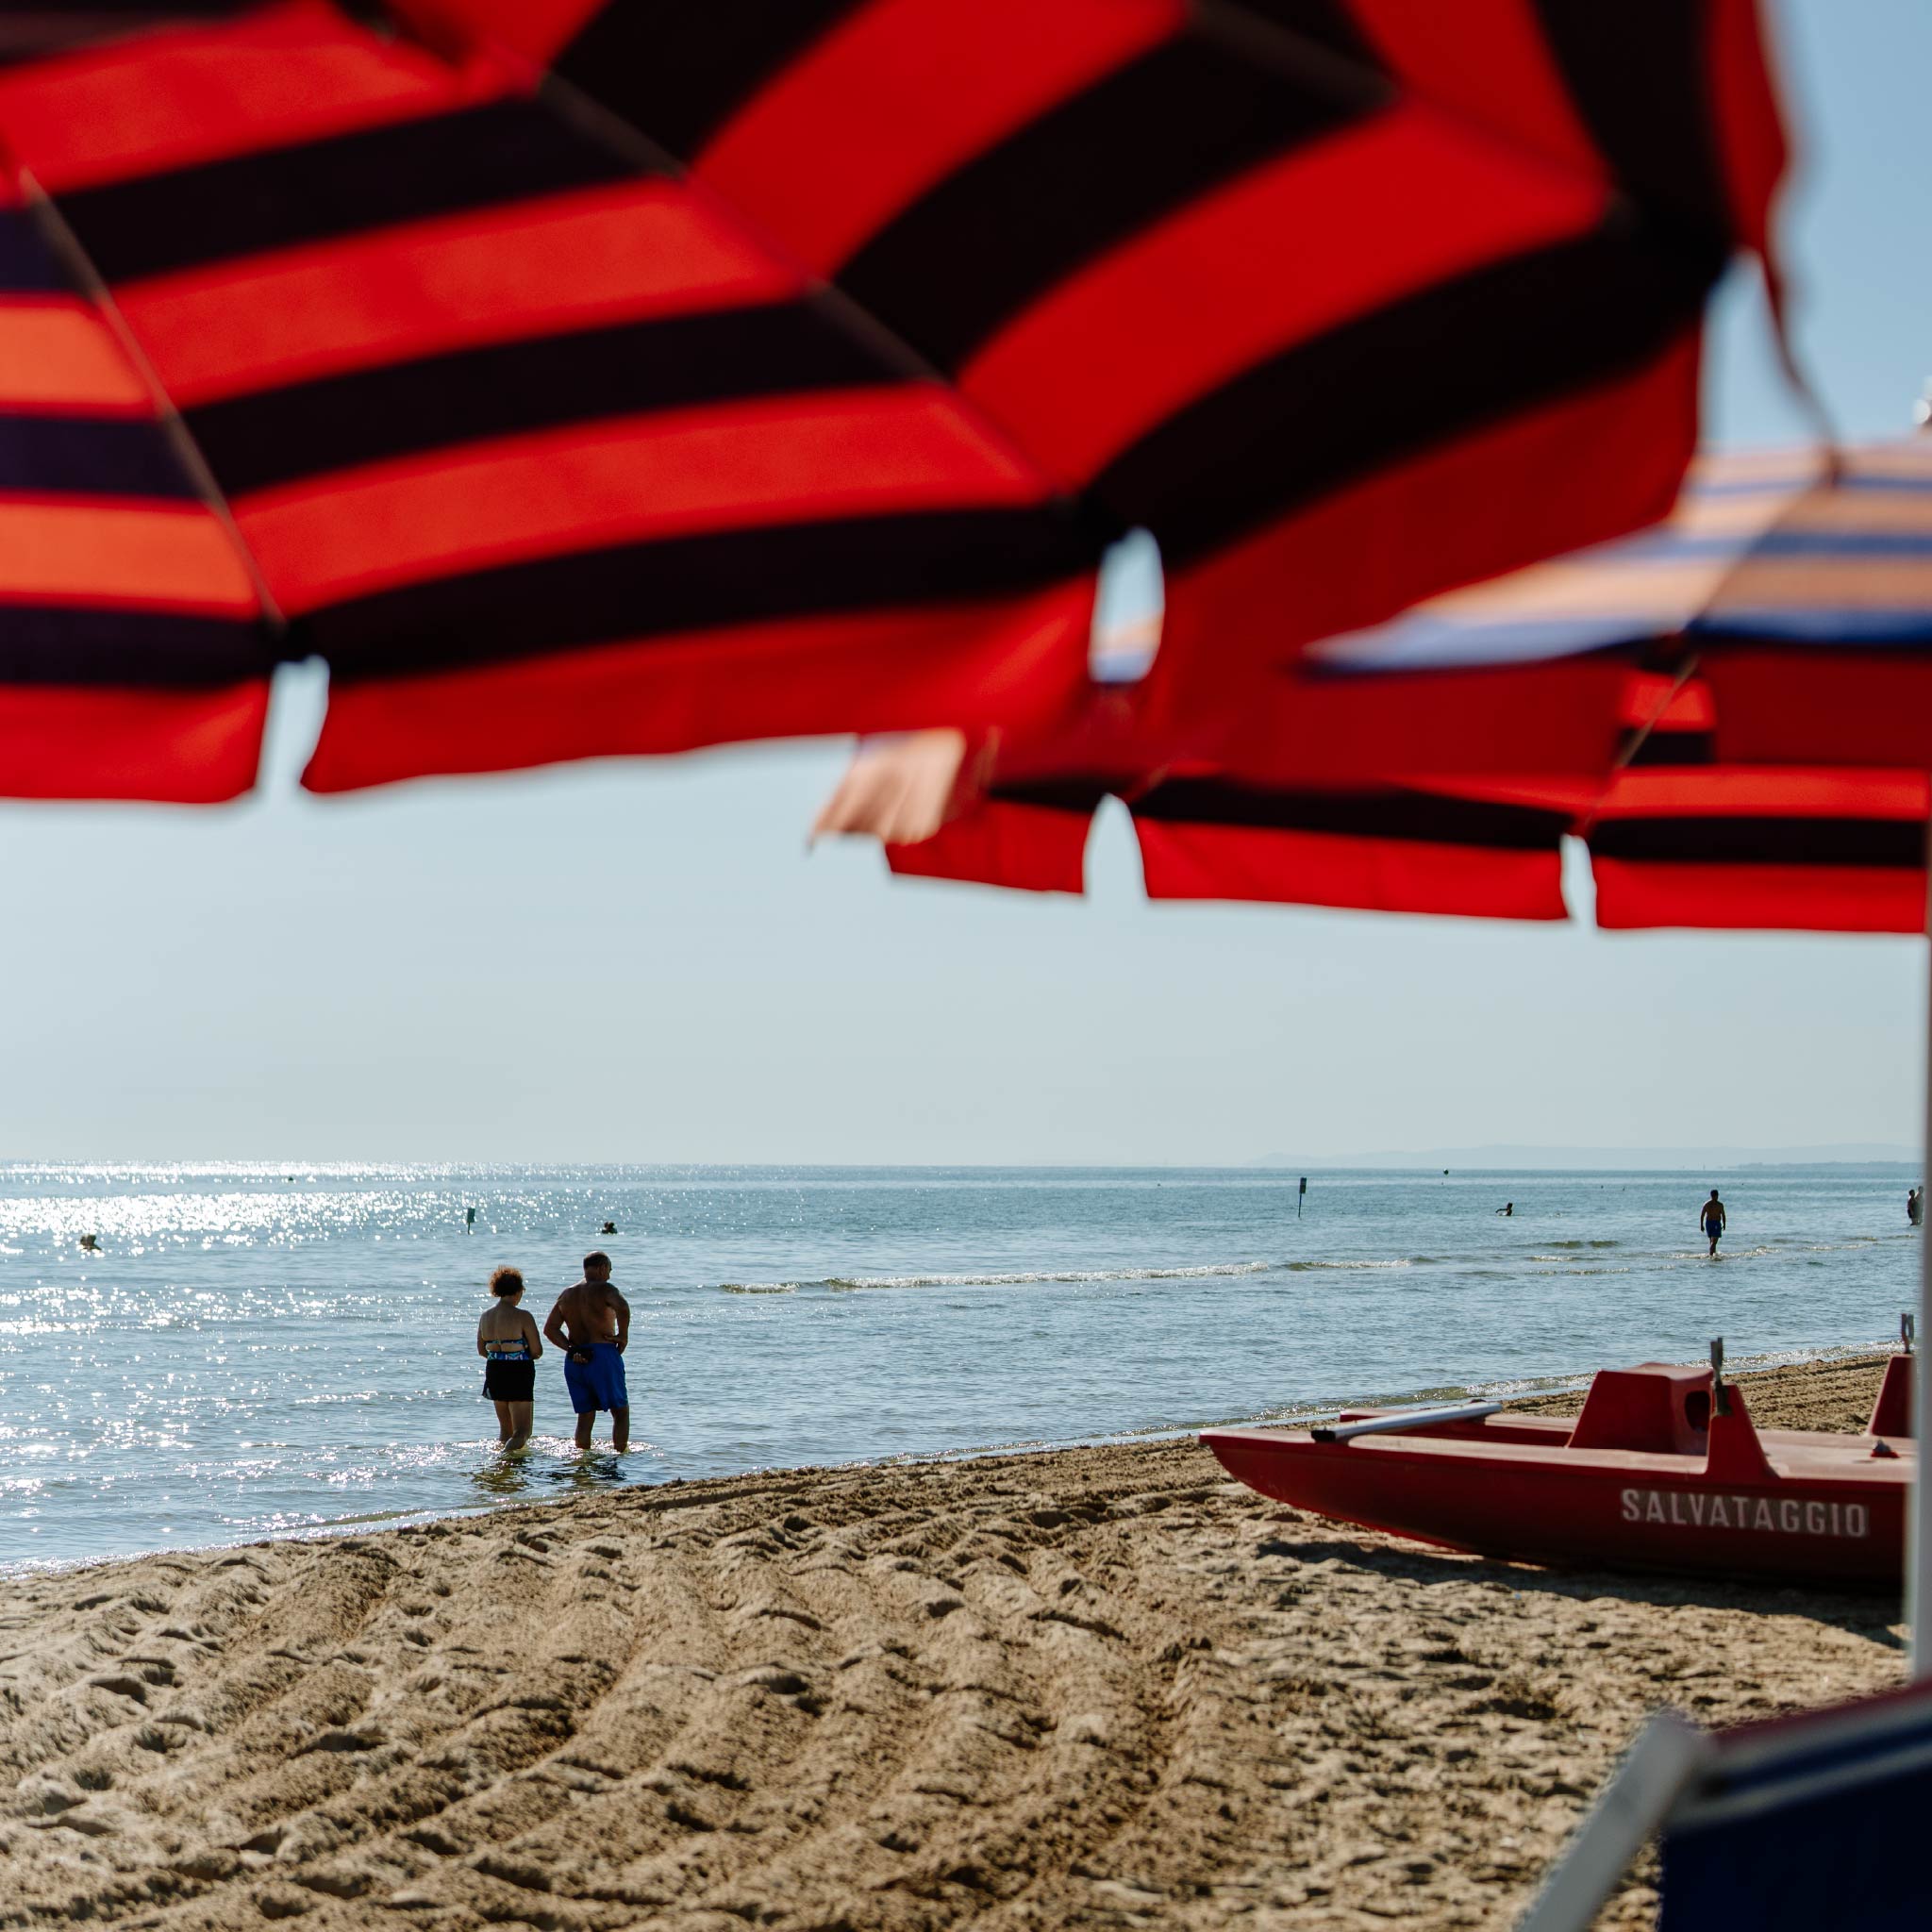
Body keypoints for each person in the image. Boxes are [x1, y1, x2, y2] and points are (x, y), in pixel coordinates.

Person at [545, 1250, 630, 1452]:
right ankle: (620, 1459)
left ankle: (583, 1465)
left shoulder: (566, 1294)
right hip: (602, 1355)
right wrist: (623, 1335)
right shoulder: (605, 1289)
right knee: (620, 1412)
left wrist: (570, 1348)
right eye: (609, 1270)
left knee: (585, 1416)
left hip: (576, 1358)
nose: (609, 1275)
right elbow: (623, 1308)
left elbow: (550, 1329)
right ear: (602, 1268)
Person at [477, 1265, 541, 1451]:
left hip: (495, 1369)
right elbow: (537, 1351)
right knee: (522, 1432)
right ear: (518, 1291)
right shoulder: (523, 1316)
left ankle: (501, 1474)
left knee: (505, 1431)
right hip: (518, 1371)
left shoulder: (486, 1316)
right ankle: (504, 1460)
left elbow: (482, 1350)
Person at [1701, 1189, 1726, 1257]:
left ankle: (1713, 1255)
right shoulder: (1719, 1205)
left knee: (1712, 1242)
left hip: (1708, 1223)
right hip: (1715, 1224)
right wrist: (1724, 1224)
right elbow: (1723, 1215)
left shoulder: (1706, 1204)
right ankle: (1711, 1256)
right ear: (1717, 1196)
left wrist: (1702, 1225)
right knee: (1714, 1242)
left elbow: (1702, 1215)